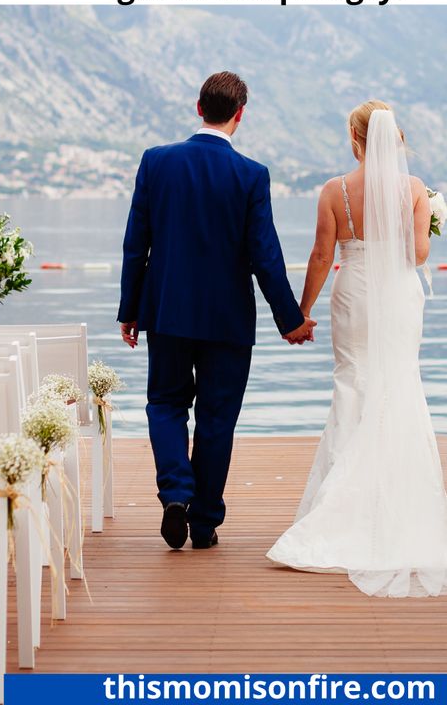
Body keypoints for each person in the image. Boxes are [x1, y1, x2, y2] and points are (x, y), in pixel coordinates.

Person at [267, 100, 447, 597]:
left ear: (355, 138)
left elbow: (322, 254)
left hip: (353, 292)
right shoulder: (413, 190)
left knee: (353, 384)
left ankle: (339, 508)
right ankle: (399, 507)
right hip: (398, 295)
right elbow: (419, 253)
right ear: (398, 139)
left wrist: (300, 313)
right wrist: (421, 220)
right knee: (399, 385)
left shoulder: (333, 190)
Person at [118, 71, 315, 551]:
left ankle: (176, 495)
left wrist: (131, 309)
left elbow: (134, 245)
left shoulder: (156, 162)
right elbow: (264, 255)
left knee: (164, 404)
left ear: (198, 107)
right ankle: (203, 523)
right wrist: (291, 321)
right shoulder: (251, 174)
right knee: (216, 418)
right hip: (227, 320)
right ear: (239, 115)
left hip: (165, 311)